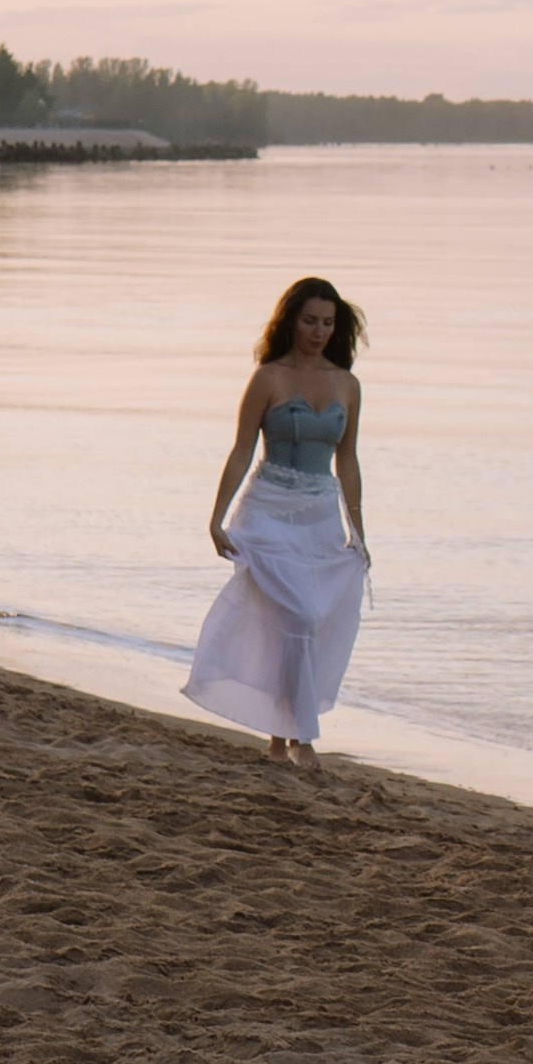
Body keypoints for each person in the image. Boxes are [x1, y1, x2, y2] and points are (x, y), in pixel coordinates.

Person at [183, 276, 370, 760]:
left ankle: (279, 735)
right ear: (290, 321)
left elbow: (347, 461)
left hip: (320, 519)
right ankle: (299, 737)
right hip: (267, 511)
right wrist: (216, 518)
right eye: (310, 321)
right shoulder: (268, 378)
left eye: (327, 323)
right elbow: (242, 450)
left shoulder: (347, 385)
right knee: (297, 614)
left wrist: (358, 530)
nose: (319, 331)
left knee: (306, 620)